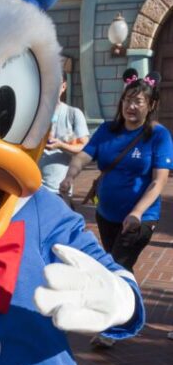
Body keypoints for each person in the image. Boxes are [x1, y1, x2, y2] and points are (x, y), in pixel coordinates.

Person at [60, 69, 173, 347]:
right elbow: (84, 156)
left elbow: (158, 183)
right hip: (107, 215)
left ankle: (113, 329)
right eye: (127, 101)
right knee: (119, 266)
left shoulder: (158, 136)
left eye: (138, 102)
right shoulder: (107, 131)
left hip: (142, 218)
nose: (131, 107)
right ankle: (132, 310)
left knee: (116, 266)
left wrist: (136, 213)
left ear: (151, 106)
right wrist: (70, 176)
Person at [39, 73, 89, 196]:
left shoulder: (73, 114)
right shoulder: (34, 114)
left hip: (59, 190)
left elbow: (85, 148)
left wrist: (61, 145)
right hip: (33, 188)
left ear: (63, 86)